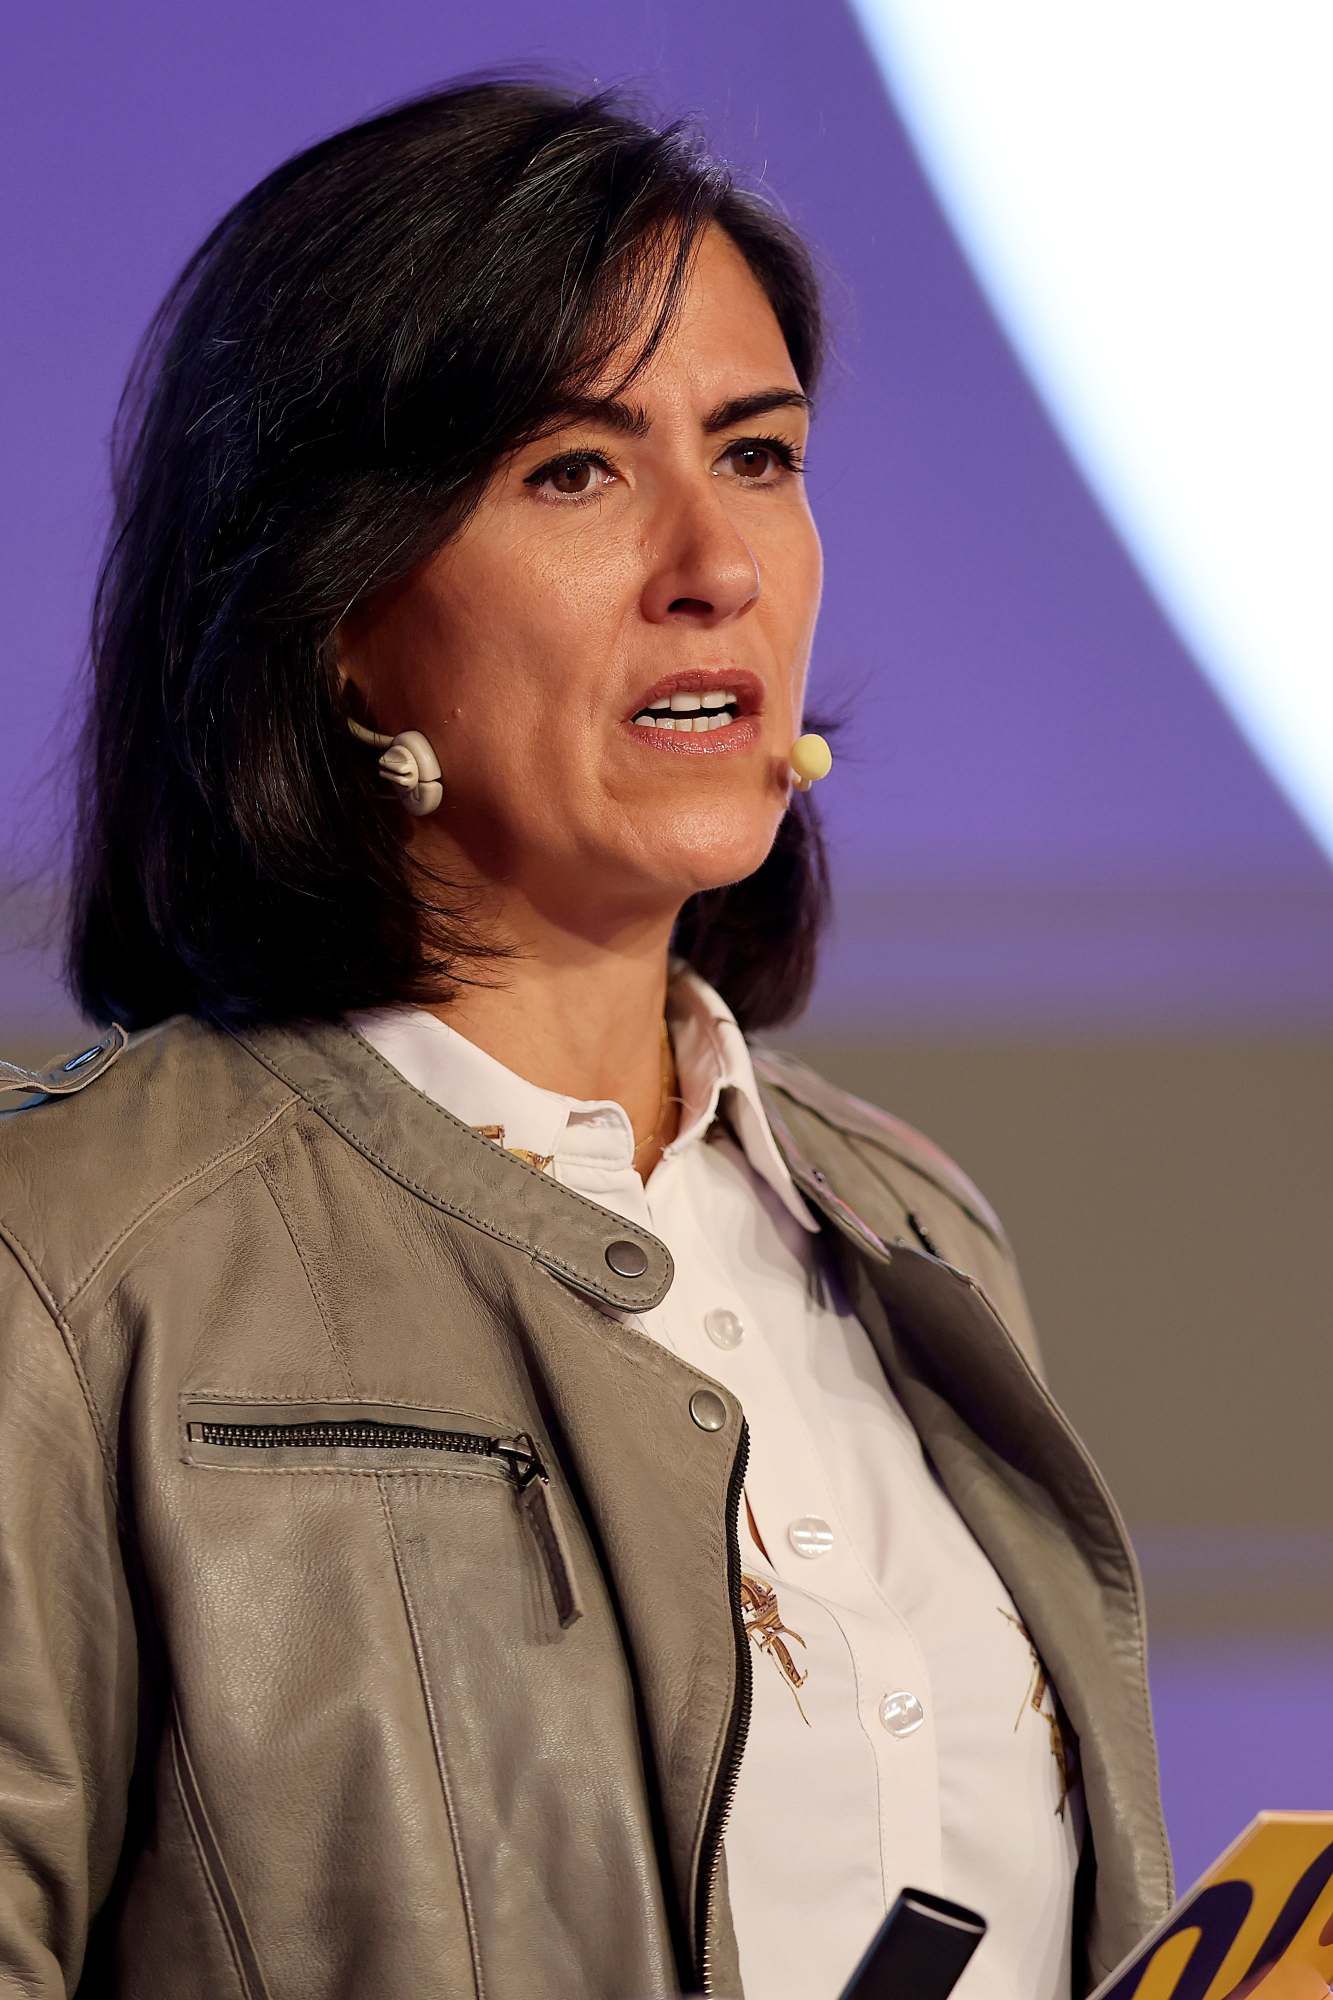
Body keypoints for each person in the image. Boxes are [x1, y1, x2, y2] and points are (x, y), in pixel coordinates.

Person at [0, 74, 1173, 2000]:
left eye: (759, 454)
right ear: (337, 609)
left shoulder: (916, 1233)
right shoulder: (61, 1262)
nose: (716, 562)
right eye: (574, 470)